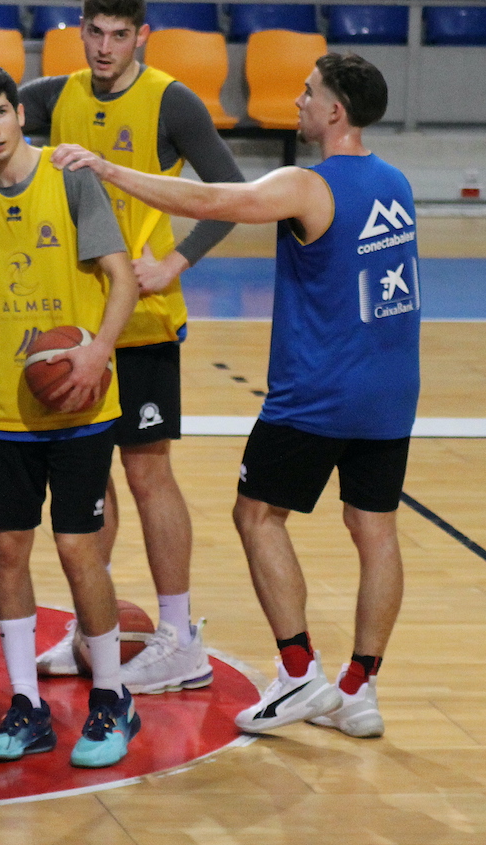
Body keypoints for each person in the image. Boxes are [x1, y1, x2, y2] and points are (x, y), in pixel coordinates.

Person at [0, 0, 249, 695]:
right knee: (94, 489)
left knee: (148, 474)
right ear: (79, 30)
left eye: (119, 35)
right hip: (64, 324)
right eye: (94, 32)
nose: (105, 47)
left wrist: (174, 262)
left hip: (135, 322)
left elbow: (227, 193)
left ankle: (178, 635)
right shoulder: (57, 94)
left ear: (142, 36)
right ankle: (93, 628)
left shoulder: (170, 100)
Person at [53, 52, 418, 739]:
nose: (300, 103)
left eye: (308, 94)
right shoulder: (395, 182)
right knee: (375, 531)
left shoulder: (311, 184)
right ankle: (359, 689)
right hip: (393, 388)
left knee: (257, 517)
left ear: (336, 111)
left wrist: (106, 169)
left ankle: (299, 671)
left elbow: (216, 201)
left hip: (320, 391)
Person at [0, 65, 143, 770]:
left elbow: (122, 278)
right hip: (3, 410)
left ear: (19, 114)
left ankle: (113, 697)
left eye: (1, 113)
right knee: (7, 554)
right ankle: (26, 705)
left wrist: (97, 355)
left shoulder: (69, 178)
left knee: (78, 549)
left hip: (83, 405)